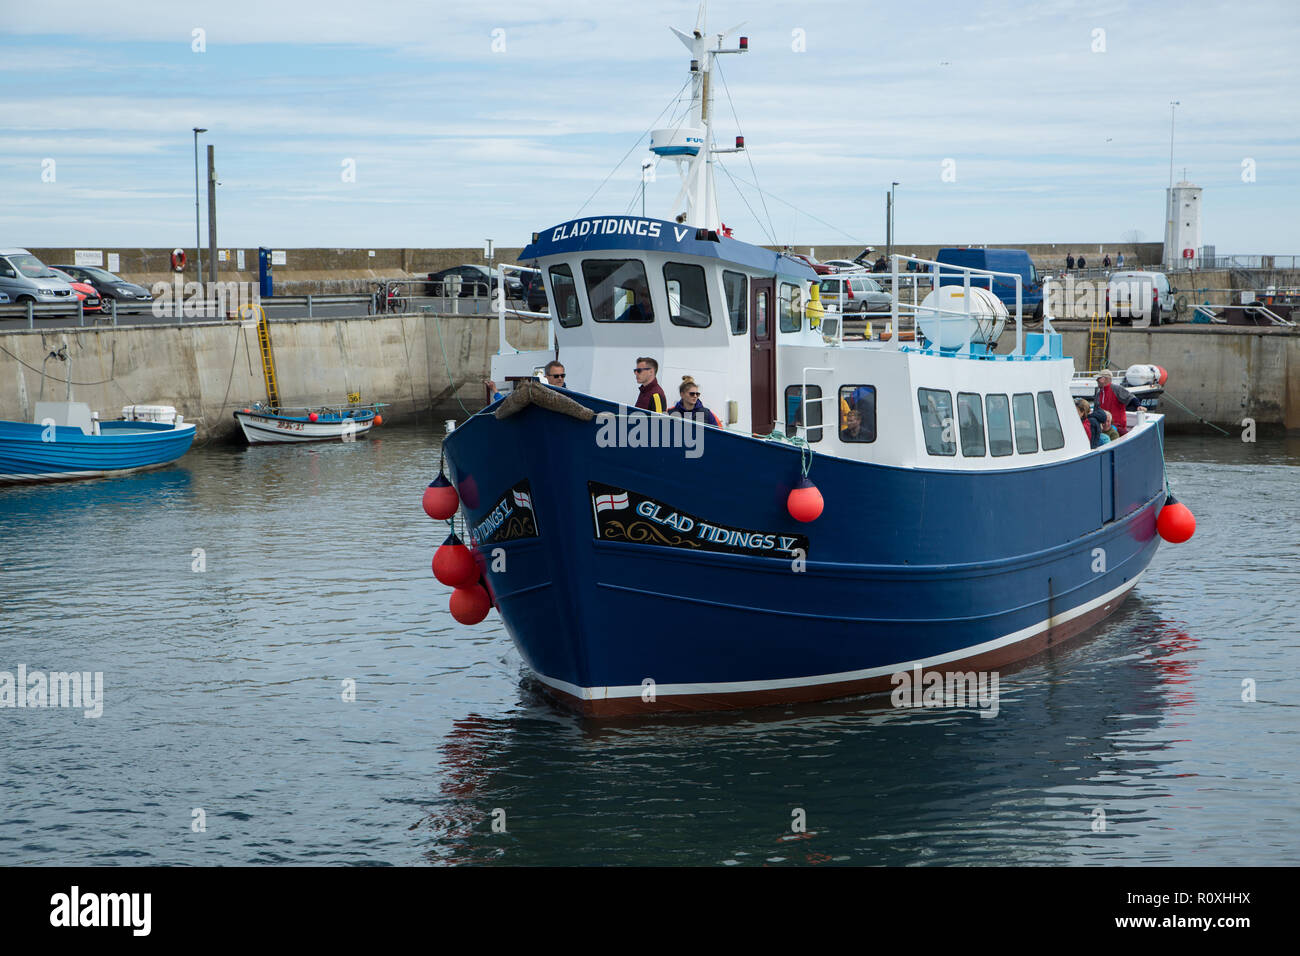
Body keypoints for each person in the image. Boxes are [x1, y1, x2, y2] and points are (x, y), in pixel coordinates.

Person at [1093, 372, 1130, 436]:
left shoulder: (1117, 389)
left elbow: (1130, 398)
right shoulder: (1099, 394)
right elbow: (1095, 411)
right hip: (1104, 428)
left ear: (1104, 379)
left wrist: (1138, 406)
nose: (1096, 380)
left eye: (1098, 378)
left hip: (1118, 427)